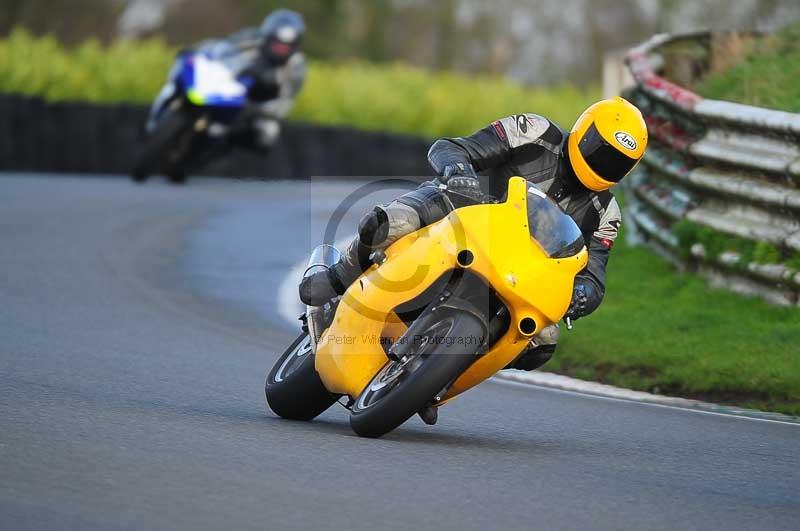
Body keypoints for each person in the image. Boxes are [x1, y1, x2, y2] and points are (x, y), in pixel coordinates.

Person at [299, 97, 648, 372]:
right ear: (584, 130)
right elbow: (452, 147)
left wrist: (583, 295)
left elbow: (594, 275)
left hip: (519, 271)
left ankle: (445, 374)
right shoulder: (535, 132)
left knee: (542, 340)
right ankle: (337, 278)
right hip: (460, 211)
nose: (603, 163)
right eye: (600, 150)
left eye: (616, 162)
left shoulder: (606, 213)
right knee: (391, 223)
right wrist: (458, 170)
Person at [146, 9, 306, 150]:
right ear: (269, 37)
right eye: (277, 44)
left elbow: (286, 99)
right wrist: (197, 51)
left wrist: (264, 114)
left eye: (285, 47)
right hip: (226, 88)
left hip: (252, 106)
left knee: (264, 136)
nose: (280, 50)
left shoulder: (295, 67)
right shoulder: (251, 39)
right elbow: (220, 47)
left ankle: (208, 148)